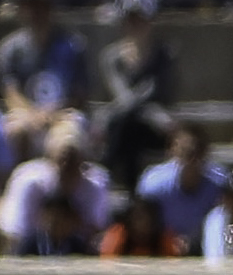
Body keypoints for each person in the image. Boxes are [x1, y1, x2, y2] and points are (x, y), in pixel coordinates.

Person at [98, 0, 177, 191]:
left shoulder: (165, 55)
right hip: (137, 121)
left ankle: (106, 167)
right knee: (128, 129)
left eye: (141, 20)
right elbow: (124, 96)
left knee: (126, 126)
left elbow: (159, 92)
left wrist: (108, 115)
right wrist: (150, 112)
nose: (135, 25)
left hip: (153, 128)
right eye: (131, 20)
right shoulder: (112, 57)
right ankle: (132, 192)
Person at [2, 117, 110, 254]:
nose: (67, 164)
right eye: (62, 158)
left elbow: (96, 231)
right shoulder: (29, 181)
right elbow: (15, 232)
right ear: (50, 158)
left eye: (73, 158)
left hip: (76, 252)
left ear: (83, 159)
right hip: (31, 249)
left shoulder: (95, 184)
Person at [3, 0, 89, 164]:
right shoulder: (11, 48)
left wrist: (52, 113)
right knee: (16, 131)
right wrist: (33, 115)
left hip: (63, 115)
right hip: (25, 115)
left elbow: (80, 94)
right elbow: (10, 92)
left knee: (66, 143)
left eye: (43, 7)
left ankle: (61, 188)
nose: (37, 13)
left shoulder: (73, 45)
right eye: (32, 8)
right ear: (22, 11)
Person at [139, 123, 226, 252]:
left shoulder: (220, 182)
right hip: (160, 249)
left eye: (197, 151)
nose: (192, 159)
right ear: (172, 150)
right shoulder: (153, 182)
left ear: (206, 152)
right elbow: (140, 223)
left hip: (207, 248)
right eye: (186, 152)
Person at [99, 188, 181, 256]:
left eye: (144, 217)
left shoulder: (164, 238)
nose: (139, 221)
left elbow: (172, 267)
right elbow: (108, 266)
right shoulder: (117, 234)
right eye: (136, 216)